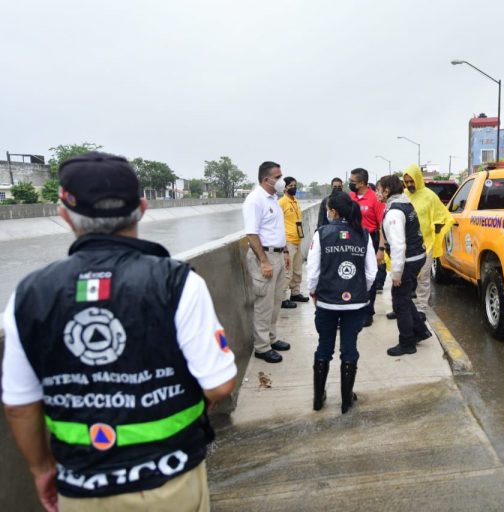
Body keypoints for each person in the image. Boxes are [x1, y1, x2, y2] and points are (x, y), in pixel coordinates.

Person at [2, 152, 237, 512]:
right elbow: (219, 384)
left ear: (63, 214)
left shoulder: (29, 294)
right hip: (170, 480)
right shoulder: (176, 282)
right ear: (143, 208)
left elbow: (19, 405)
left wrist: (41, 469)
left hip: (81, 484)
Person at [306, 193, 377, 413]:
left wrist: (313, 292)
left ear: (334, 212)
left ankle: (319, 399)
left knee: (324, 347)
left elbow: (313, 271)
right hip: (354, 305)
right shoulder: (363, 235)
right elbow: (371, 273)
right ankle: (346, 401)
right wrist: (358, 291)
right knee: (349, 348)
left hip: (327, 303)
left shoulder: (321, 234)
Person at [242, 161, 293, 363]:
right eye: (278, 177)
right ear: (266, 179)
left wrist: (286, 252)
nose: (282, 180)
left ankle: (271, 338)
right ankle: (262, 347)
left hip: (278, 255)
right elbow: (252, 234)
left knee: (276, 300)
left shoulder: (273, 199)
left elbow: (277, 230)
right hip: (264, 256)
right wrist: (264, 261)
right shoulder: (255, 200)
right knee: (264, 303)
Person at [376, 175, 432, 356]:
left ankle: (407, 342)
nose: (377, 193)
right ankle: (420, 331)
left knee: (400, 301)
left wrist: (396, 273)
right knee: (406, 297)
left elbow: (399, 245)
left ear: (387, 191)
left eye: (379, 189)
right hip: (417, 256)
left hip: (408, 260)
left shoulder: (394, 212)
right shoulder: (405, 203)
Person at [402, 164, 454, 317]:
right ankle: (404, 307)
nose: (409, 184)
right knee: (405, 277)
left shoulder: (430, 196)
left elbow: (442, 215)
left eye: (412, 181)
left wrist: (434, 230)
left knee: (423, 276)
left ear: (418, 179)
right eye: (407, 182)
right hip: (407, 244)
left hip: (426, 244)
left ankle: (421, 308)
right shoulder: (403, 195)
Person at [348, 168, 386, 327]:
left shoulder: (375, 199)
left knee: (369, 277)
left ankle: (368, 312)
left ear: (362, 183)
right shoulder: (350, 197)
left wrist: (381, 249)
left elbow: (382, 225)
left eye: (352, 182)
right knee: (352, 276)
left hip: (370, 239)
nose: (350, 184)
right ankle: (354, 308)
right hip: (351, 239)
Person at [278, 176, 309, 305]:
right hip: (288, 242)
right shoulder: (281, 203)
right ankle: (283, 298)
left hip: (298, 240)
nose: (294, 188)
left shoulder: (295, 201)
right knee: (287, 271)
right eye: (291, 186)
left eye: (295, 185)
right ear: (284, 188)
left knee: (297, 270)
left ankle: (295, 293)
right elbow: (278, 224)